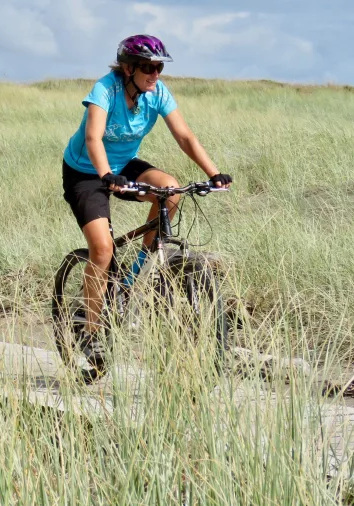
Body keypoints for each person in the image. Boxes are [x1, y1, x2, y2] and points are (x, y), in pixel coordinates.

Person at [60, 34, 232, 372]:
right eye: (148, 67)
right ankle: (92, 332)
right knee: (102, 250)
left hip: (124, 166)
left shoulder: (157, 94)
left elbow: (185, 136)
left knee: (172, 189)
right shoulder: (105, 90)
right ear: (127, 69)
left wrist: (214, 173)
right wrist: (106, 174)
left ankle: (138, 270)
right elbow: (93, 138)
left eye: (159, 67)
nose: (155, 74)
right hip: (85, 171)